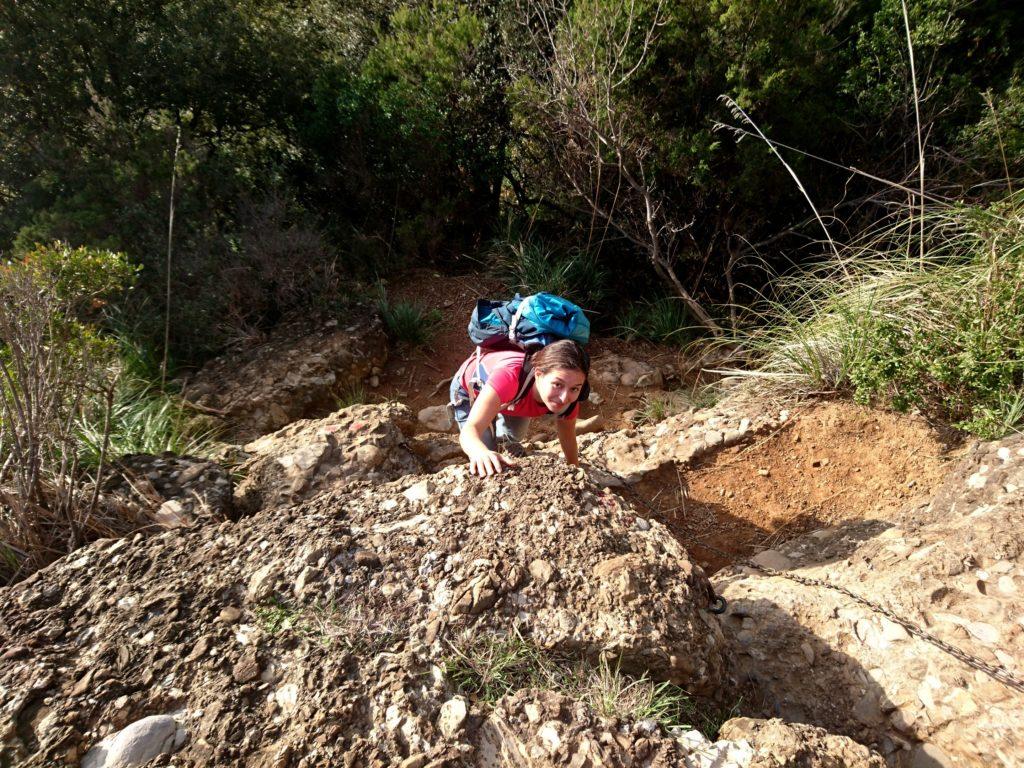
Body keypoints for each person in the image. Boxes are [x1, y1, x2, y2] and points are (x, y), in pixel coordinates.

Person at [448, 339, 590, 476]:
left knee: (514, 436)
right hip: (471, 391)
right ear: (538, 374)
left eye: (574, 389)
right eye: (557, 384)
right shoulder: (510, 378)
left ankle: (504, 443)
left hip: (512, 398)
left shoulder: (568, 401)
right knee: (488, 455)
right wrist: (480, 452)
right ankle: (493, 443)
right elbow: (470, 431)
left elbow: (568, 436)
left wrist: (575, 470)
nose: (564, 398)